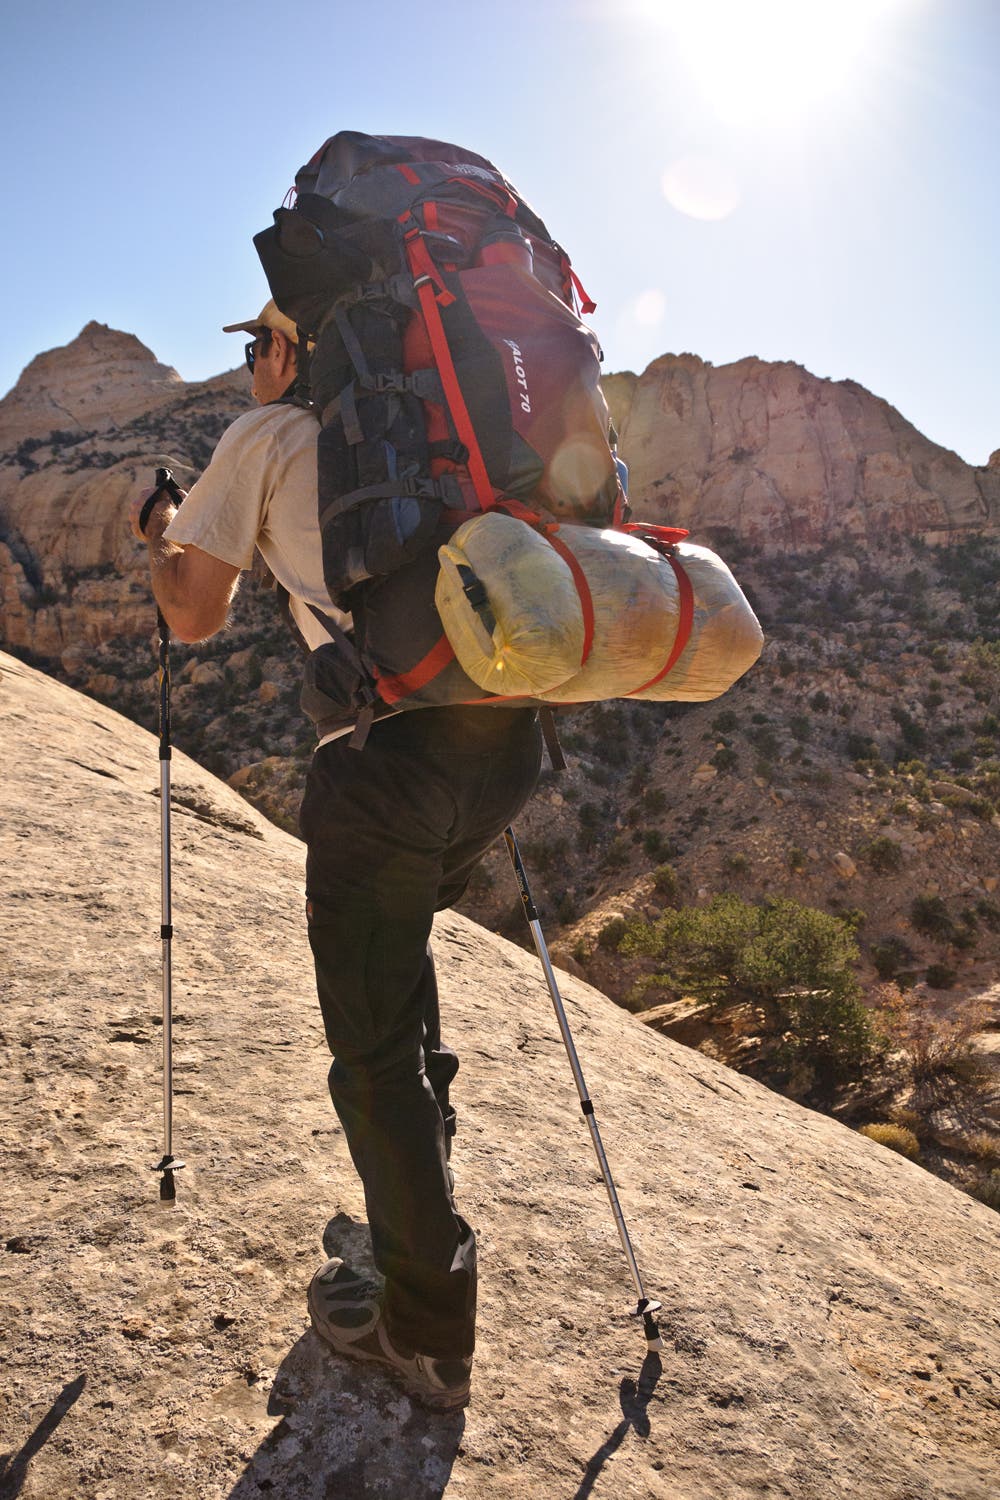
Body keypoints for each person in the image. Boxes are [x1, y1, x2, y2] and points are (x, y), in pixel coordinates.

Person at [130, 300, 542, 1410]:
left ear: (301, 348)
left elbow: (193, 614)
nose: (251, 364)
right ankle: (415, 1205)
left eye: (257, 344)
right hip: (505, 745)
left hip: (389, 766)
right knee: (397, 967)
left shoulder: (266, 438)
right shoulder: (443, 430)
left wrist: (163, 534)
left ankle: (423, 1327)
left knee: (370, 1053)